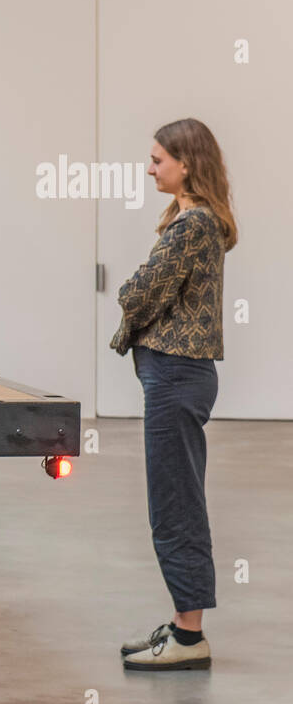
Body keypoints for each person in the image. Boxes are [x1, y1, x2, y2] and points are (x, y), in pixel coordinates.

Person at [110, 118, 238, 671]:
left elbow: (136, 294)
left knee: (175, 506)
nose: (150, 167)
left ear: (188, 164)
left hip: (177, 376)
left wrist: (127, 288)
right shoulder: (194, 223)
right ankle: (184, 626)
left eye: (159, 159)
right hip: (178, 375)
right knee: (174, 501)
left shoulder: (193, 226)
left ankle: (189, 639)